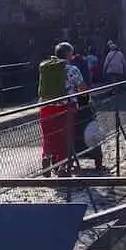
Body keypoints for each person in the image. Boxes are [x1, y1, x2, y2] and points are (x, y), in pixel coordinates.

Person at [38, 41, 87, 175]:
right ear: (69, 55)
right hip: (65, 107)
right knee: (65, 137)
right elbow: (82, 89)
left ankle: (46, 157)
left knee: (48, 136)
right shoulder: (72, 69)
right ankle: (62, 168)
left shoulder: (45, 67)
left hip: (45, 107)